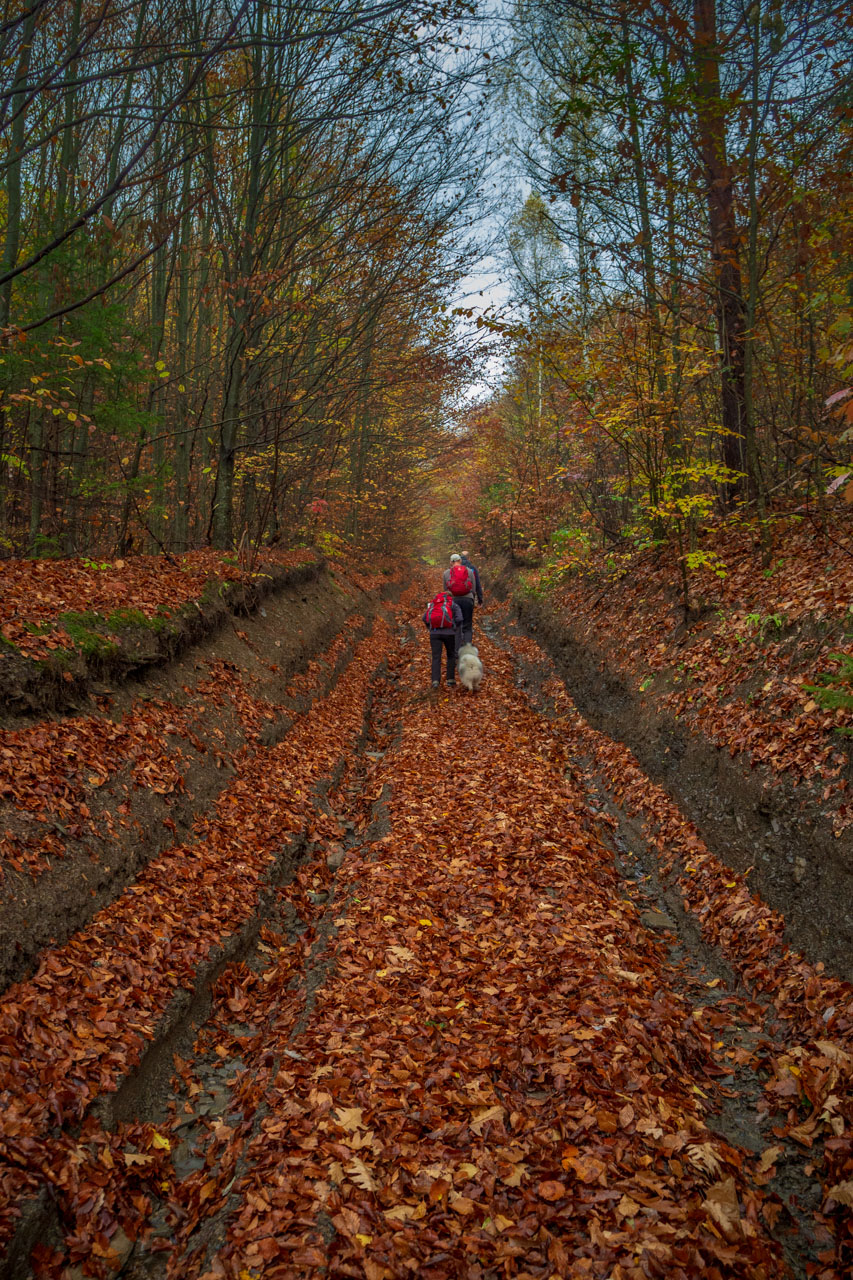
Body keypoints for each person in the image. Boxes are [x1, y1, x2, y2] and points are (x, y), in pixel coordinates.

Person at [423, 587, 463, 688]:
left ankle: (435, 681)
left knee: (436, 657)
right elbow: (459, 618)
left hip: (434, 633)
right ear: (451, 597)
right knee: (451, 655)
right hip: (449, 633)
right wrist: (454, 628)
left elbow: (425, 618)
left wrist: (430, 628)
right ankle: (450, 679)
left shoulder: (433, 604)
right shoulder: (453, 604)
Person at [443, 552, 475, 645]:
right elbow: (473, 588)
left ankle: (457, 651)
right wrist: (472, 600)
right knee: (467, 626)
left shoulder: (446, 573)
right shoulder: (469, 571)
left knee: (456, 625)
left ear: (450, 562)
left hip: (454, 601)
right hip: (468, 599)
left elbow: (445, 590)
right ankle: (467, 648)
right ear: (460, 560)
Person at [460, 550, 483, 622]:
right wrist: (480, 600)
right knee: (467, 622)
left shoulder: (454, 569)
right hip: (469, 597)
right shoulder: (472, 568)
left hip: (456, 597)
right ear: (469, 558)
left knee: (458, 620)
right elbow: (477, 584)